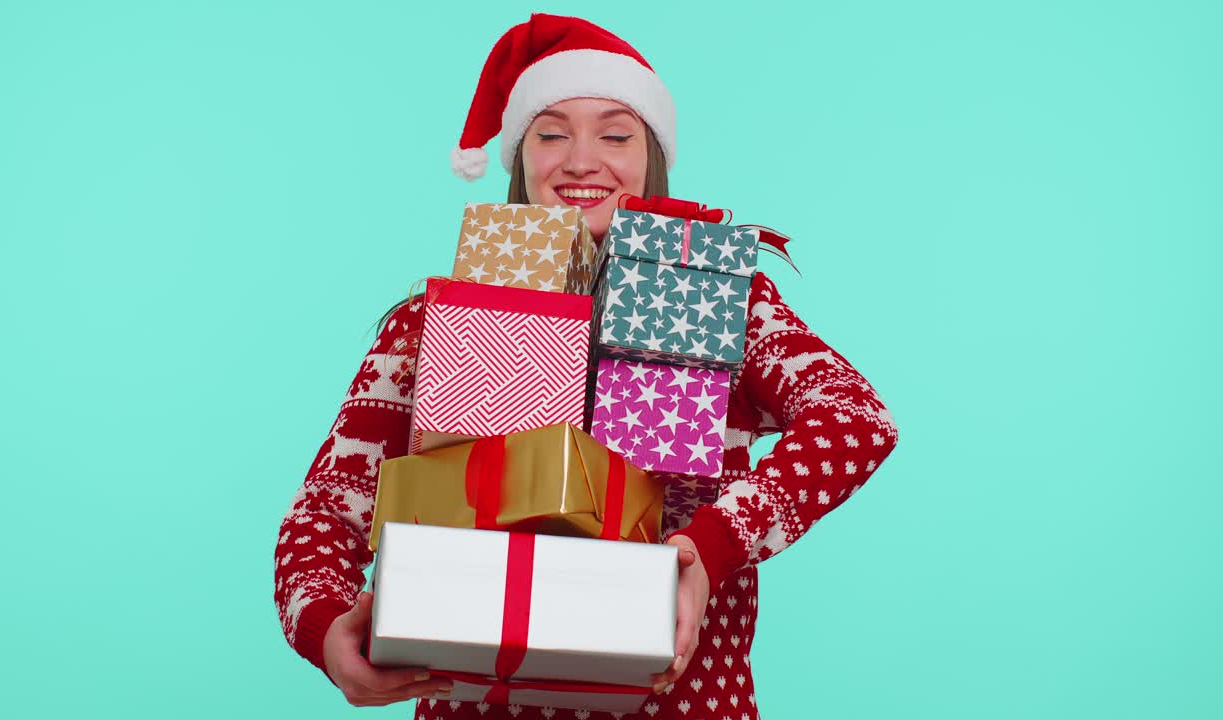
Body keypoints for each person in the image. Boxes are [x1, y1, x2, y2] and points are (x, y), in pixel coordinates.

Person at [274, 13, 899, 719]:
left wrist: (711, 545)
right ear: (519, 158)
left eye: (614, 133)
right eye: (550, 133)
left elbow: (856, 418)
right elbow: (328, 508)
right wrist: (327, 629)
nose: (579, 160)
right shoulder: (432, 323)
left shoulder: (722, 299)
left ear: (651, 155)